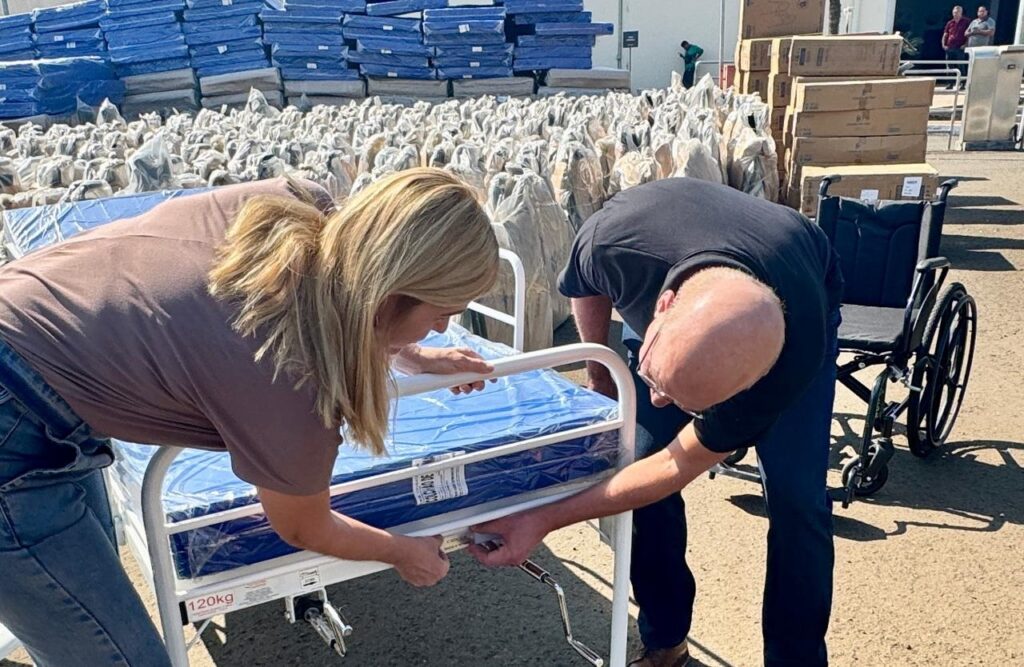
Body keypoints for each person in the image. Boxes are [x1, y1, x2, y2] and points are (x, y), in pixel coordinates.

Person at [0, 168, 500, 666]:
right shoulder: (288, 373)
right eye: (442, 310)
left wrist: (411, 354)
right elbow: (306, 527)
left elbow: (349, 299)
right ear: (392, 291)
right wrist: (403, 552)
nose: (443, 327)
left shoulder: (295, 204)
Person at [471, 178, 844, 667]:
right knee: (639, 457)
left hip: (800, 284)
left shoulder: (791, 358)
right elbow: (585, 284)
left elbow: (679, 464)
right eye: (650, 376)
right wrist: (601, 374)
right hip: (675, 241)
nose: (655, 399)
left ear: (750, 384)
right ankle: (666, 641)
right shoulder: (613, 242)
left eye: (688, 403)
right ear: (661, 307)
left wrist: (540, 519)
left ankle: (796, 661)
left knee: (799, 504)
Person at [942, 5, 971, 89]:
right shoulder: (950, 23)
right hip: (950, 47)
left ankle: (962, 83)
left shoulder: (966, 22)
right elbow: (945, 34)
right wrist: (944, 45)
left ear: (961, 12)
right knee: (949, 66)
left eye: (957, 12)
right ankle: (950, 83)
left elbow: (969, 34)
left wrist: (965, 44)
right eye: (954, 12)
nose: (955, 14)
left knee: (960, 65)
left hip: (960, 47)